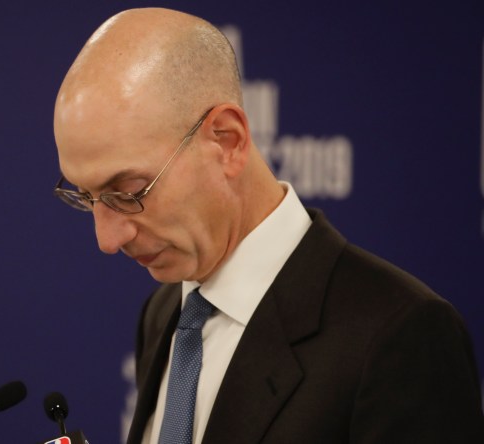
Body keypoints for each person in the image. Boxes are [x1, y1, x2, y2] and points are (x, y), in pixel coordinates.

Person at [52, 7, 484, 444]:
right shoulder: (164, 313)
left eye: (129, 192)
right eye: (87, 199)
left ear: (227, 140)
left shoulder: (400, 336)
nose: (108, 239)